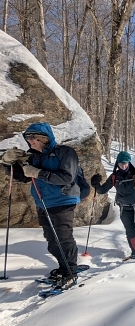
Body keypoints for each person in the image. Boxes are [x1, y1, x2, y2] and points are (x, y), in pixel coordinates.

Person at [1, 122, 81, 286]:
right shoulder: (33, 157)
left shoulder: (65, 152)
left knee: (63, 238)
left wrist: (38, 173)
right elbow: (22, 177)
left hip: (63, 200)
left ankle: (70, 272)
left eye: (33, 138)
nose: (30, 141)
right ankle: (63, 267)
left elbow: (66, 178)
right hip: (42, 202)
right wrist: (6, 162)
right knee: (52, 240)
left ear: (45, 138)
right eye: (27, 138)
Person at [91, 151, 135, 260]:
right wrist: (96, 184)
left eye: (126, 163)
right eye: (121, 163)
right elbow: (102, 190)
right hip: (125, 209)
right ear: (117, 163)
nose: (123, 166)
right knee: (130, 231)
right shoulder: (115, 176)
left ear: (128, 162)